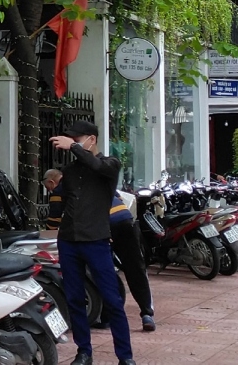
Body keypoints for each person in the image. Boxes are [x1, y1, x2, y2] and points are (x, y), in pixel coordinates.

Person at [50, 120, 136, 365]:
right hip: (69, 241)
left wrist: (75, 148)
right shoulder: (70, 170)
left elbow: (97, 166)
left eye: (77, 139)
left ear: (92, 139)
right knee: (75, 299)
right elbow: (62, 200)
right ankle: (83, 351)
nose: (73, 143)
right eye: (72, 140)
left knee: (112, 299)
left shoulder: (109, 164)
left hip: (96, 240)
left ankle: (125, 356)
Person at [44, 168, 156, 332]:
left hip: (103, 227)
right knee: (135, 268)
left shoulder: (60, 189)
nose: (50, 190)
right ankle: (147, 313)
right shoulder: (93, 183)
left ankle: (107, 317)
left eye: (48, 187)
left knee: (102, 270)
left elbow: (53, 221)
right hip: (126, 221)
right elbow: (117, 198)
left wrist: (46, 233)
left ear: (52, 182)